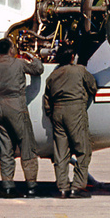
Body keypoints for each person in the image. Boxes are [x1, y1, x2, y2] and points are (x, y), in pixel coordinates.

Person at [0, 37, 43, 197]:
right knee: (27, 146)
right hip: (16, 107)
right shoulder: (18, 63)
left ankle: (8, 186)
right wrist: (34, 58)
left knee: (5, 148)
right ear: (11, 49)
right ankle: (31, 186)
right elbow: (37, 70)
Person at [43, 49, 97, 198]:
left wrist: (51, 114)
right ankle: (77, 187)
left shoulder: (52, 76)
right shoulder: (79, 70)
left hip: (57, 113)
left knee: (61, 153)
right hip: (75, 111)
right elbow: (93, 86)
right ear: (72, 57)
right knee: (83, 150)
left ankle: (62, 187)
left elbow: (46, 99)